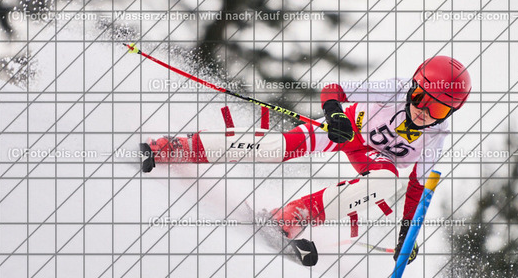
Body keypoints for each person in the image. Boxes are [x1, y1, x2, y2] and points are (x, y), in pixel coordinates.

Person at [140, 55, 471, 265]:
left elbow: (416, 189)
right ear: (411, 88)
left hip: (374, 159)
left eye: (439, 108)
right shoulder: (393, 89)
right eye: (420, 98)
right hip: (345, 129)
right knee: (274, 149)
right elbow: (334, 89)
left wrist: (406, 236)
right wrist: (335, 113)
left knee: (386, 183)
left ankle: (291, 216)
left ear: (450, 113)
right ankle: (177, 147)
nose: (424, 111)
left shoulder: (436, 136)